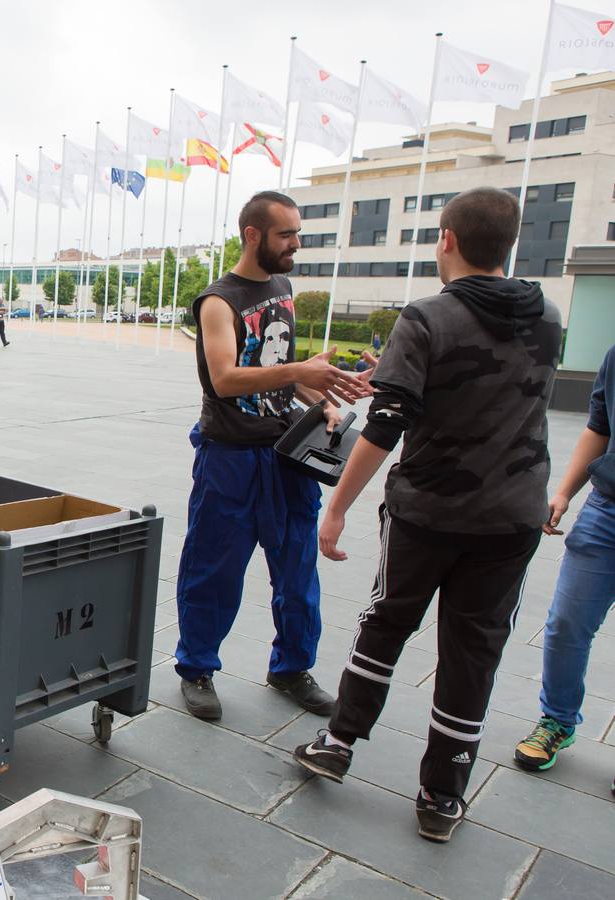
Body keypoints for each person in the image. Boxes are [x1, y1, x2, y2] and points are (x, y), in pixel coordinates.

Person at [293, 187, 562, 844]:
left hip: (430, 513)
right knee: (473, 653)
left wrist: (337, 507)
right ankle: (442, 798)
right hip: (512, 520)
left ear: (446, 239)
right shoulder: (549, 317)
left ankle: (338, 742)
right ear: (509, 244)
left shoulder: (427, 318)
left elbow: (386, 425)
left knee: (387, 624)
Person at [174, 191, 372, 722]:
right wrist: (299, 373)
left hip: (287, 456)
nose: (296, 245)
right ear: (253, 235)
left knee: (298, 573)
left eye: (297, 233)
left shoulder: (283, 288)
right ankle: (196, 667)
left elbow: (281, 370)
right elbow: (225, 378)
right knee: (213, 568)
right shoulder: (218, 301)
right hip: (231, 458)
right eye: (287, 235)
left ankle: (290, 668)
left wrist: (324, 400)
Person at [512, 341, 614, 793]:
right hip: (607, 510)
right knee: (567, 624)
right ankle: (557, 721)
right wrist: (565, 492)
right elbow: (599, 427)